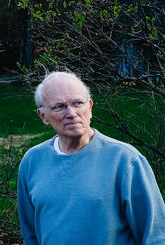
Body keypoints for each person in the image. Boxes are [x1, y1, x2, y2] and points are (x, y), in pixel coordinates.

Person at [17, 71, 165, 244]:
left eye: (78, 103)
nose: (71, 113)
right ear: (43, 116)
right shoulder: (32, 162)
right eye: (59, 106)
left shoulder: (126, 161)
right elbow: (31, 235)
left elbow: (155, 236)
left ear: (90, 107)